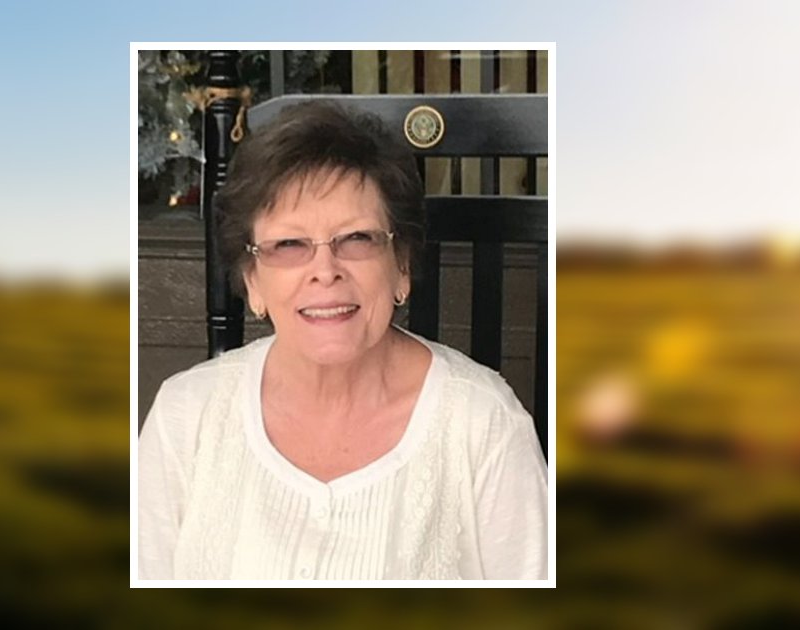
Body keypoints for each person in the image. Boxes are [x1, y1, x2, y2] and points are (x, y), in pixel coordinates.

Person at [138, 101, 547, 580]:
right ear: (252, 280)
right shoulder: (187, 415)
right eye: (288, 244)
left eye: (356, 239)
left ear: (402, 266)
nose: (325, 271)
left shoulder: (484, 424)